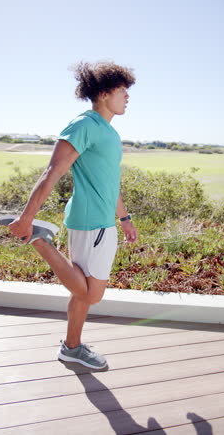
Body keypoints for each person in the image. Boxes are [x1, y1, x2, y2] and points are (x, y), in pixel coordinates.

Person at [7, 61, 138, 369]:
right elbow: (53, 171)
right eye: (122, 91)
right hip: (91, 223)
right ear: (105, 94)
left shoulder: (107, 131)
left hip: (103, 222)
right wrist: (27, 217)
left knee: (82, 293)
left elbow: (109, 181)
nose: (127, 97)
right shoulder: (84, 125)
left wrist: (125, 217)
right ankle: (40, 240)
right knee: (91, 295)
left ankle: (72, 347)